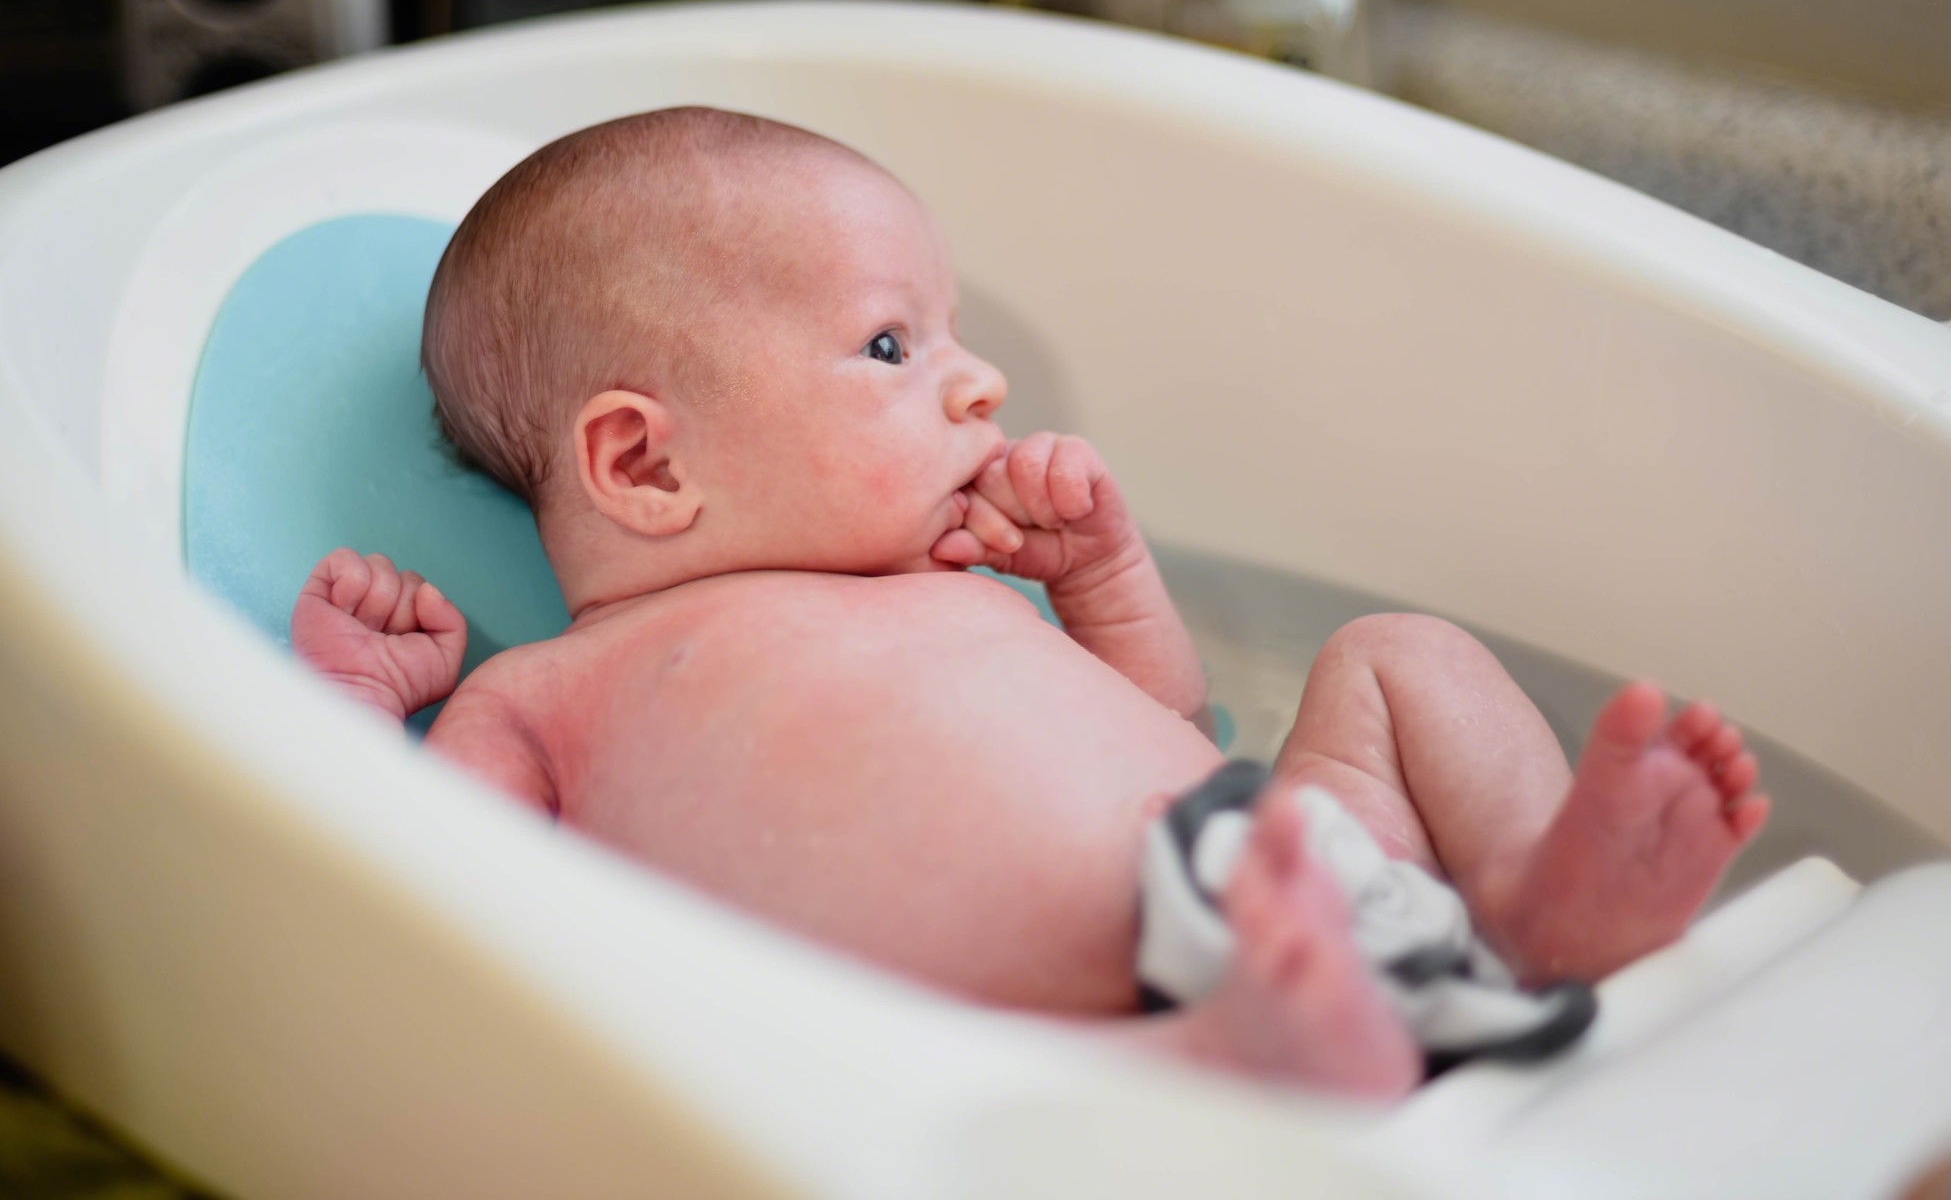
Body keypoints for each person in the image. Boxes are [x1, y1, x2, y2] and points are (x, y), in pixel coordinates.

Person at [291, 107, 1768, 1097]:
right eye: (888, 345)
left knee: (1398, 657)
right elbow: (440, 897)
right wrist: (361, 706)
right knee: (1053, 1080)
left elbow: (1170, 723)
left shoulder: (958, 580)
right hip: (1040, 1044)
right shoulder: (547, 696)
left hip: (1289, 873)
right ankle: (1222, 1064)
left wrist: (1106, 581)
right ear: (645, 459)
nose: (977, 377)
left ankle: (1524, 899)